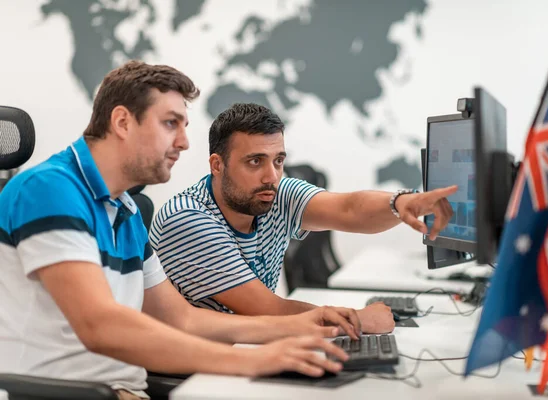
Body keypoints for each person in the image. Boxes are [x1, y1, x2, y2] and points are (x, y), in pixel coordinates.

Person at [0, 62, 362, 400]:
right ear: (123, 122)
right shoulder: (49, 190)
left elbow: (180, 318)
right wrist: (254, 360)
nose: (185, 142)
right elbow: (101, 326)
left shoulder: (121, 208)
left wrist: (298, 326)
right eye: (171, 123)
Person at [149, 103, 457, 333]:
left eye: (278, 160)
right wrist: (356, 319)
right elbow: (266, 310)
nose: (271, 176)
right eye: (255, 161)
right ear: (217, 165)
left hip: (252, 349)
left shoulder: (274, 192)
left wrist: (400, 203)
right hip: (196, 372)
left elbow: (348, 208)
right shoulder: (189, 220)